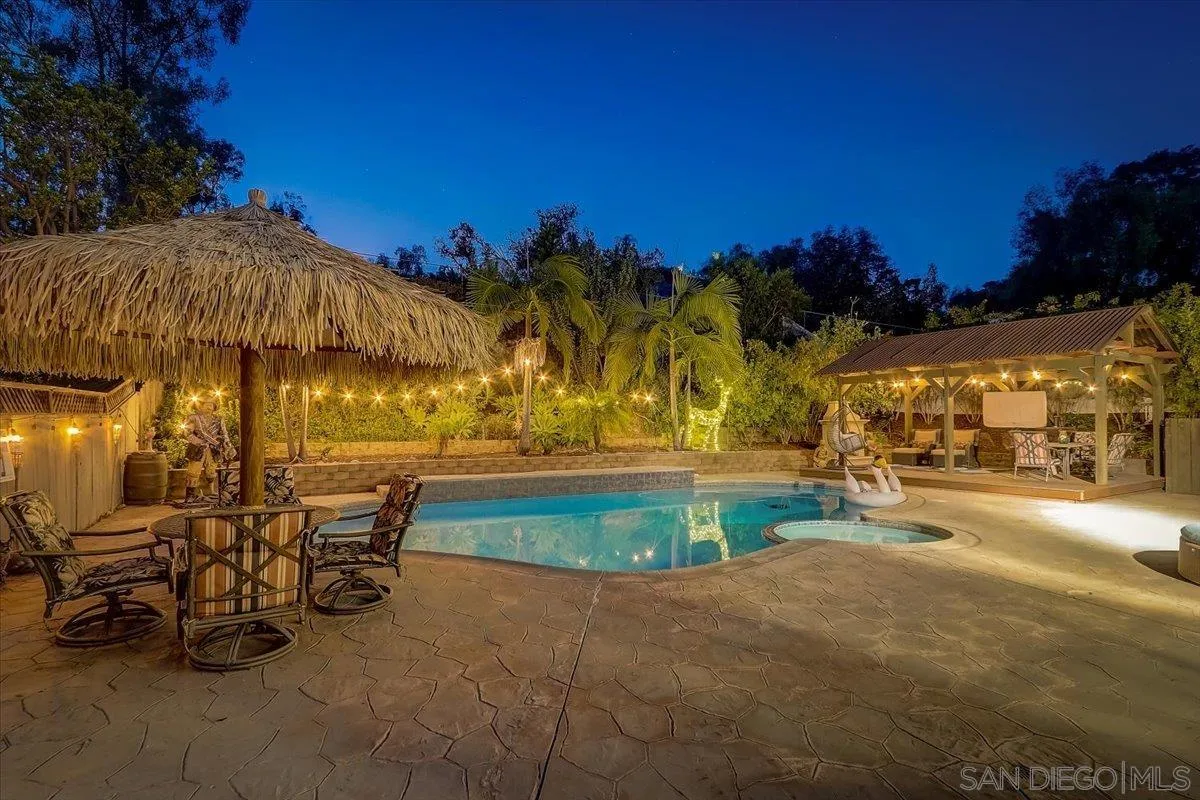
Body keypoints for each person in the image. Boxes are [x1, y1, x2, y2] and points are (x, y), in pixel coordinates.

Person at [183, 397, 234, 503]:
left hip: (213, 449)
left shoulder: (218, 419)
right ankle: (190, 495)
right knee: (193, 472)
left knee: (211, 470)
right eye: (206, 404)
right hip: (198, 449)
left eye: (211, 404)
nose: (209, 407)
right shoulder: (193, 418)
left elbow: (224, 434)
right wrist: (199, 442)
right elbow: (187, 433)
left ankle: (211, 492)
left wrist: (228, 446)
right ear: (200, 406)